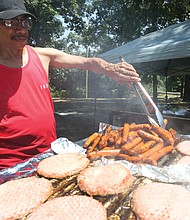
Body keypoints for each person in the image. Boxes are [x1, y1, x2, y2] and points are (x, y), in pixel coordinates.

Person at [0, 0, 140, 170]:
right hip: (7, 165)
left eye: (24, 22)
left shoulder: (42, 56)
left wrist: (110, 68)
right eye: (10, 22)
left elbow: (88, 62)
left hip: (48, 156)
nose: (20, 28)